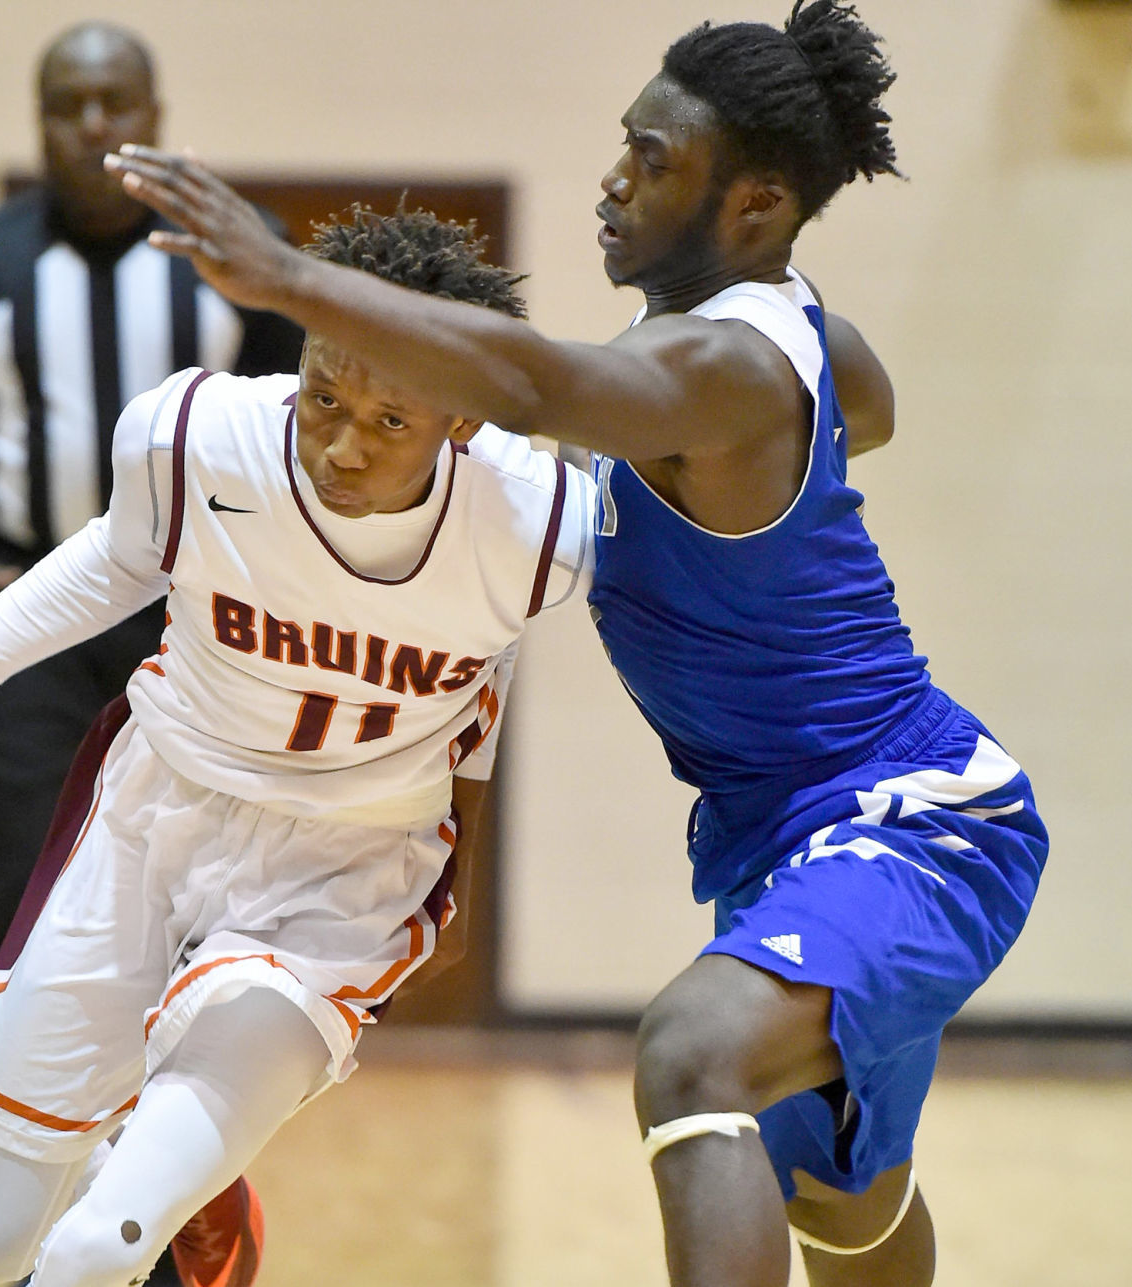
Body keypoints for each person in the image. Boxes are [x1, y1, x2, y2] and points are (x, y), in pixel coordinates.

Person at [105, 3, 1049, 1285]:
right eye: (624, 144)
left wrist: (292, 283)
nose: (614, 177)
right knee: (843, 1200)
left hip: (913, 816)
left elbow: (536, 385)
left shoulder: (718, 365)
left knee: (688, 1056)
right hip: (782, 842)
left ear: (755, 204)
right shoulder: (779, 348)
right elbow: (860, 406)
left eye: (653, 159)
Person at [0, 207, 593, 1287]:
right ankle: (197, 1185)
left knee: (87, 1255)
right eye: (323, 398)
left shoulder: (537, 520)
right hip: (154, 815)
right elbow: (115, 564)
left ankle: (174, 1187)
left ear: (461, 424)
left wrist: (461, 877)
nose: (343, 445)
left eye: (390, 423)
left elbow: (488, 673)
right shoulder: (193, 437)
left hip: (342, 874)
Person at [0, 19, 304, 985]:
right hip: (26, 618)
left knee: (195, 880)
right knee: (35, 876)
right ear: (37, 121)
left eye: (115, 103)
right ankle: (20, 1120)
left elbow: (301, 430)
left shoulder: (241, 255)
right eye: (67, 107)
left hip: (196, 623)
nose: (91, 124)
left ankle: (159, 1122)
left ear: (155, 118)